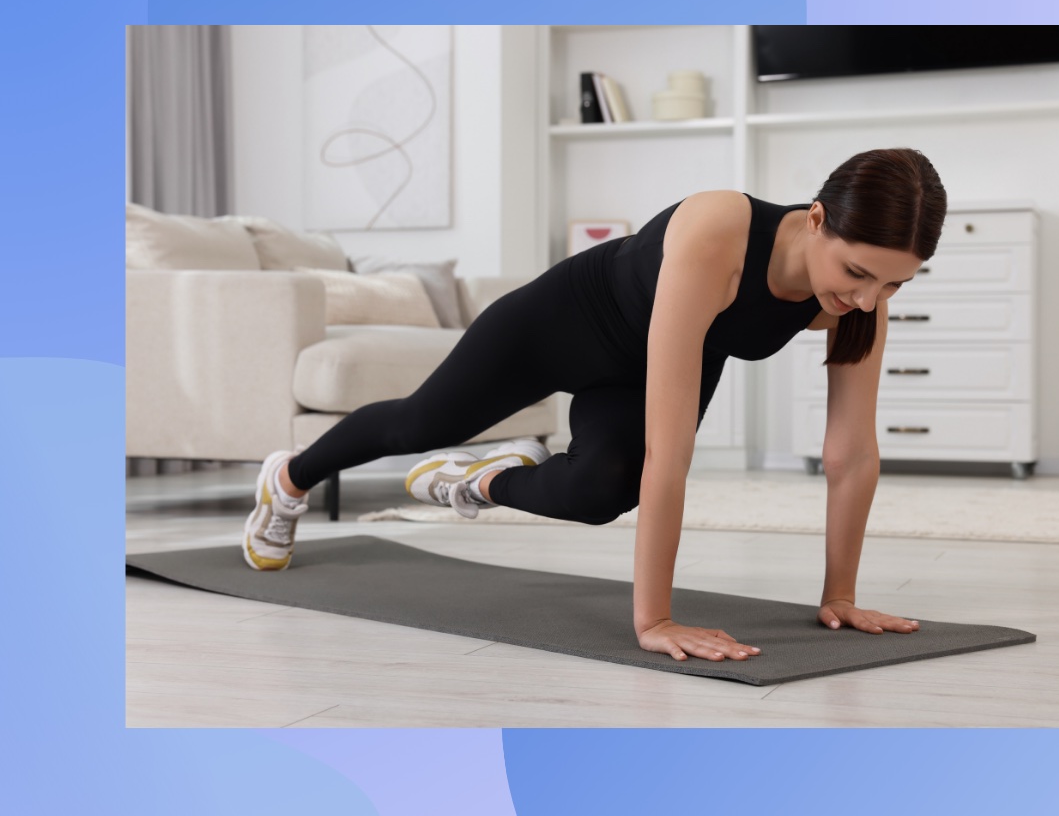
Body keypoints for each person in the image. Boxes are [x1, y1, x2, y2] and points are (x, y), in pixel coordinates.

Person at [242, 147, 947, 665]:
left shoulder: (858, 307)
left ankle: (480, 480)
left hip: (637, 368)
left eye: (893, 285)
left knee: (600, 491)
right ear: (817, 218)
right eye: (856, 272)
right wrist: (656, 620)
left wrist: (841, 595)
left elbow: (850, 453)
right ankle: (289, 478)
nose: (866, 300)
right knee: (420, 422)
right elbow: (671, 455)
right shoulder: (719, 229)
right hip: (563, 322)